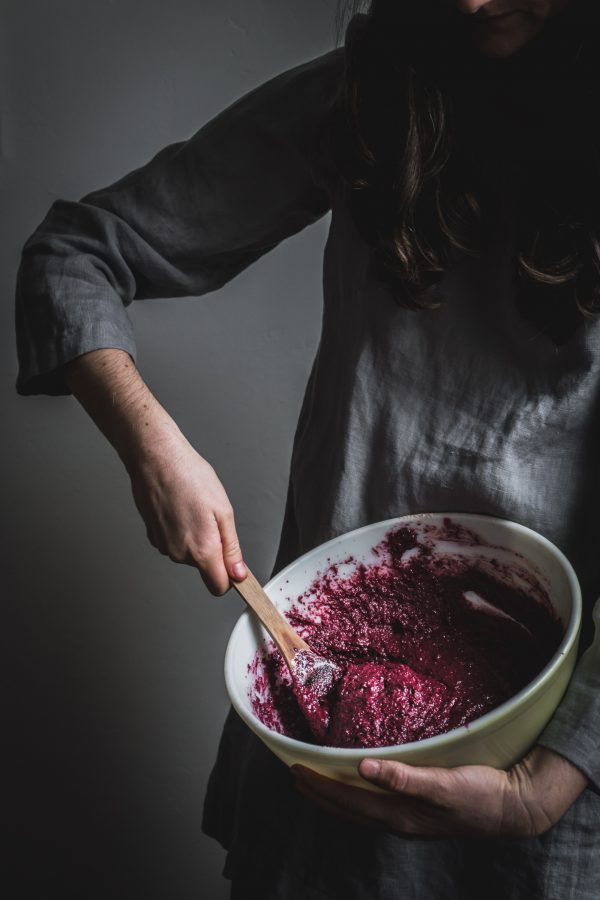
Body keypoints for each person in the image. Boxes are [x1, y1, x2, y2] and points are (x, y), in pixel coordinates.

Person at [14, 0, 600, 896]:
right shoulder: (364, 101)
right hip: (319, 775)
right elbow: (77, 254)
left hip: (555, 789)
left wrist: (543, 787)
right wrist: (152, 444)